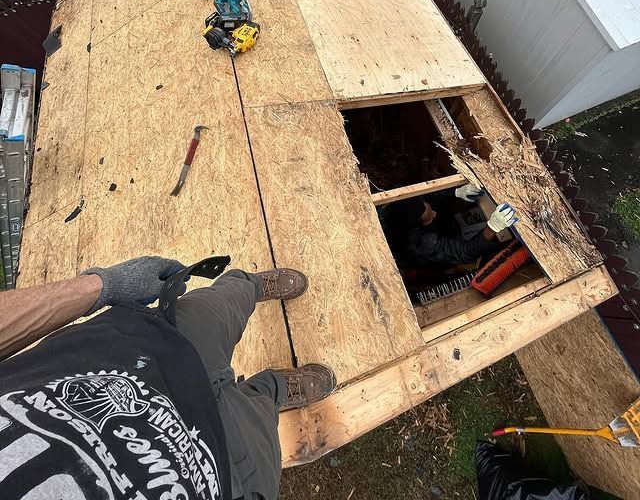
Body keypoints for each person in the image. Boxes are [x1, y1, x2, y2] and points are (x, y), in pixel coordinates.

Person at [0, 258, 336, 500]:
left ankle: (249, 285)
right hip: (221, 471)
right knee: (260, 415)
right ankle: (275, 387)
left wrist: (104, 286)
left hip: (137, 356)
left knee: (220, 305)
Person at [378, 183, 519, 267]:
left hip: (436, 230)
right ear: (418, 226)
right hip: (430, 256)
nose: (434, 213)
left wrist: (455, 192)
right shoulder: (423, 244)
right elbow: (464, 252)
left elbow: (427, 196)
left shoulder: (400, 201)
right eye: (429, 217)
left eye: (429, 209)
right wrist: (493, 227)